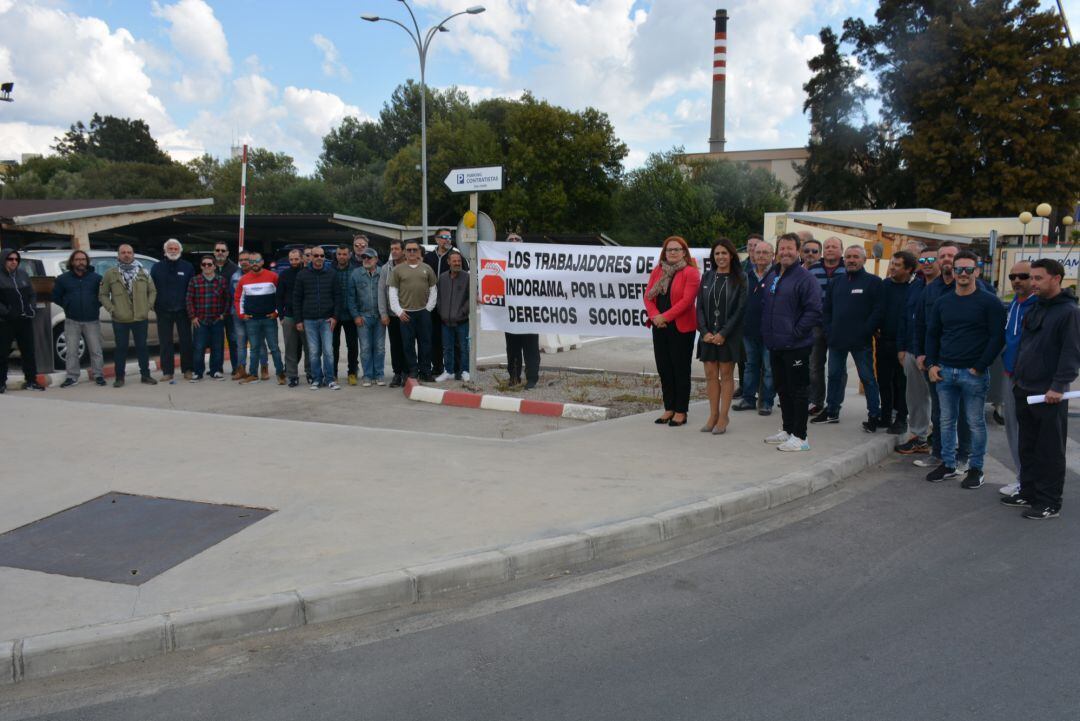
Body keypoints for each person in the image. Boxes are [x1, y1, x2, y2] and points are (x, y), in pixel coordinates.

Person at [1003, 258, 1080, 518]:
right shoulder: (1036, 308)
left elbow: (1071, 353)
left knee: (1049, 450)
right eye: (1031, 278)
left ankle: (1049, 502)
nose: (1032, 283)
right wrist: (1017, 381)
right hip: (1024, 388)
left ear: (1056, 278)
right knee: (1028, 446)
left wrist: (1058, 386)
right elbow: (1026, 346)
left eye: (1038, 278)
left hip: (1049, 394)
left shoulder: (1069, 312)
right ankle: (1029, 491)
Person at [924, 250, 1005, 488]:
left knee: (974, 422)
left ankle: (975, 469)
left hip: (973, 374)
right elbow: (933, 334)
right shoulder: (943, 302)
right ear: (953, 271)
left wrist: (980, 366)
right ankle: (949, 464)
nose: (963, 274)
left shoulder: (989, 302)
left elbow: (997, 337)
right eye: (959, 269)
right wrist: (931, 363)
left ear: (977, 272)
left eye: (969, 269)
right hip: (945, 371)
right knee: (946, 421)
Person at [760, 233, 822, 451]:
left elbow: (814, 310)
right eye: (782, 248)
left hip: (796, 345)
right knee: (782, 388)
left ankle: (800, 436)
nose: (785, 252)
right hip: (776, 344)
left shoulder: (806, 278)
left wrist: (795, 332)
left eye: (789, 248)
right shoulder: (773, 274)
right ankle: (787, 429)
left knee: (798, 390)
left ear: (798, 251)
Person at [814, 245, 882, 429]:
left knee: (867, 378)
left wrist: (866, 330)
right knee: (834, 376)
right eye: (848, 257)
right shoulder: (837, 282)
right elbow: (826, 309)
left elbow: (878, 310)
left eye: (855, 257)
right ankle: (832, 411)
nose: (851, 260)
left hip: (861, 341)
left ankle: (874, 415)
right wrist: (828, 330)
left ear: (863, 260)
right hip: (837, 340)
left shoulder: (873, 282)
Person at [644, 236, 701, 428]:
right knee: (664, 368)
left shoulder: (691, 273)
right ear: (664, 252)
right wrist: (655, 316)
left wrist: (664, 317)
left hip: (681, 327)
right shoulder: (658, 271)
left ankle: (680, 411)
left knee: (680, 369)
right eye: (670, 250)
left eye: (677, 249)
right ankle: (669, 408)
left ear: (684, 252)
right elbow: (648, 296)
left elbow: (686, 301)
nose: (673, 252)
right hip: (659, 327)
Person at [696, 238, 746, 434]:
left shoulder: (741, 277)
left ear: (732, 255)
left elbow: (740, 309)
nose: (721, 257)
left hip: (729, 336)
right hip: (708, 335)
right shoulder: (707, 276)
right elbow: (699, 306)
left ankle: (724, 417)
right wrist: (705, 331)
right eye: (717, 253)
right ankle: (713, 415)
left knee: (726, 376)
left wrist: (723, 333)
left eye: (724, 253)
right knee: (710, 376)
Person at [997, 261, 1036, 497]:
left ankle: (1031, 482)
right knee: (1013, 429)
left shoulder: (1039, 306)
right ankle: (1023, 479)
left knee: (1029, 433)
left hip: (1030, 379)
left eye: (1023, 276)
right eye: (1013, 276)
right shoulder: (1015, 303)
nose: (1017, 280)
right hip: (1009, 375)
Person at [895, 248, 936, 454]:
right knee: (915, 396)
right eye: (923, 259)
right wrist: (901, 348)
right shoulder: (915, 287)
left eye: (931, 259)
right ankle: (919, 436)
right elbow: (904, 318)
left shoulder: (948, 288)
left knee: (940, 399)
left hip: (937, 354)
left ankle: (940, 440)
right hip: (912, 350)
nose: (927, 263)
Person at [99, 244, 157, 387]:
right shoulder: (110, 273)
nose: (126, 255)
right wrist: (112, 309)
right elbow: (103, 294)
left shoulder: (143, 272)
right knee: (121, 348)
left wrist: (148, 306)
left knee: (142, 347)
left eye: (129, 252)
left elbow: (153, 291)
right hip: (120, 318)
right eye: (123, 252)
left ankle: (145, 375)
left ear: (133, 254)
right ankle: (119, 377)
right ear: (118, 255)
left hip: (140, 317)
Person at [877, 251, 918, 435]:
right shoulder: (884, 285)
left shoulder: (915, 288)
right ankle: (885, 416)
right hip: (883, 340)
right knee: (884, 380)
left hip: (904, 345)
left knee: (902, 383)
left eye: (897, 265)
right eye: (892, 263)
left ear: (908, 269)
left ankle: (901, 419)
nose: (892, 267)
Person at [733, 239, 775, 415]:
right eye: (758, 252)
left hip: (771, 331)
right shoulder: (745, 275)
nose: (761, 256)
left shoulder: (777, 274)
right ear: (753, 255)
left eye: (765, 253)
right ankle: (748, 399)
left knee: (768, 368)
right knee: (750, 366)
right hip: (748, 330)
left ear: (773, 255)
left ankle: (766, 402)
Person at [52, 249, 105, 387]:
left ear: (87, 262)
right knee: (71, 351)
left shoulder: (96, 278)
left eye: (83, 259)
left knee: (96, 350)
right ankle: (71, 377)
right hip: (72, 319)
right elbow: (56, 296)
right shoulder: (63, 279)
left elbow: (102, 296)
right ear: (72, 262)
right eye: (77, 259)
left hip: (92, 319)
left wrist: (94, 305)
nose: (80, 262)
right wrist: (67, 305)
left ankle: (98, 375)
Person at [390, 240, 438, 382]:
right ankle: (413, 371)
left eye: (414, 250)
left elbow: (433, 290)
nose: (412, 253)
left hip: (423, 312)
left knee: (426, 344)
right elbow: (392, 292)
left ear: (419, 252)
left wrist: (428, 309)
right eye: (409, 250)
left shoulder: (427, 268)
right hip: (406, 314)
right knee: (408, 345)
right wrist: (398, 311)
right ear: (404, 252)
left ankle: (426, 371)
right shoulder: (397, 270)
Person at [234, 252, 285, 385]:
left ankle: (281, 374)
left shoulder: (273, 276)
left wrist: (276, 312)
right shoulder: (243, 279)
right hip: (252, 320)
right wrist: (242, 314)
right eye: (251, 262)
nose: (254, 264)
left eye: (256, 261)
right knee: (254, 348)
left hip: (269, 319)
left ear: (262, 262)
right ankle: (253, 374)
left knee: (274, 347)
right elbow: (238, 298)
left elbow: (281, 296)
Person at [294, 246, 340, 390]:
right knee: (313, 352)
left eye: (321, 256)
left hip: (327, 319)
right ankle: (316, 379)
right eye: (316, 256)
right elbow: (297, 299)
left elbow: (338, 297)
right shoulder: (302, 275)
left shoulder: (332, 273)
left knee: (328, 351)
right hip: (309, 320)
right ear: (311, 257)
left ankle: (330, 379)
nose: (319, 258)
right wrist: (299, 320)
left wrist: (335, 317)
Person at [149, 238, 195, 382]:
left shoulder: (188, 267)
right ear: (165, 251)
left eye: (175, 249)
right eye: (170, 249)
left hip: (183, 310)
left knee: (186, 341)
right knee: (165, 342)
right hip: (163, 310)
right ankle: (167, 372)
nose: (173, 251)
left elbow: (192, 289)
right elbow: (151, 288)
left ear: (180, 251)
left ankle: (187, 369)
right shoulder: (156, 267)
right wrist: (154, 305)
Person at [0, 248, 46, 392]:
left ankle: (31, 381)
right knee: (2, 353)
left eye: (16, 259)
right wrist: (6, 312)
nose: (14, 262)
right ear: (3, 260)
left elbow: (32, 294)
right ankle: (1, 383)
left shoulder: (23, 274)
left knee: (28, 351)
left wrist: (30, 308)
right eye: (10, 259)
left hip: (24, 320)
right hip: (5, 322)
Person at [425, 228, 469, 378]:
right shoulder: (429, 257)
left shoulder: (457, 256)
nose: (447, 240)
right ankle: (438, 368)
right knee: (437, 340)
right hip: (435, 305)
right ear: (437, 239)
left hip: (456, 308)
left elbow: (467, 282)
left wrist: (463, 309)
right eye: (443, 237)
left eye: (449, 237)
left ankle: (459, 370)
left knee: (458, 343)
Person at [807, 236, 843, 414]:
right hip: (816, 325)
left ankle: (835, 403)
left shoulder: (849, 268)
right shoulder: (812, 269)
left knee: (837, 368)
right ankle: (816, 401)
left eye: (834, 246)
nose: (829, 249)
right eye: (827, 246)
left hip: (839, 326)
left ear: (841, 251)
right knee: (814, 365)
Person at [502, 233, 541, 388]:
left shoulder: (533, 262)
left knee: (531, 348)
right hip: (510, 314)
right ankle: (514, 376)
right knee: (512, 349)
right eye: (510, 239)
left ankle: (532, 378)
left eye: (517, 239)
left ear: (523, 243)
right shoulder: (501, 262)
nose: (513, 241)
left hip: (530, 313)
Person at [186, 255, 230, 381]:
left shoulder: (221, 280)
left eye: (209, 264)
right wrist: (193, 317)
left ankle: (215, 370)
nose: (207, 266)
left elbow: (228, 299)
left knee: (217, 347)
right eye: (204, 264)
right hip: (200, 321)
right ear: (200, 266)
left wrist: (224, 314)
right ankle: (198, 372)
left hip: (217, 320)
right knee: (199, 347)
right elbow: (189, 299)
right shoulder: (194, 281)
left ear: (214, 266)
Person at [347, 247, 386, 387]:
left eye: (369, 257)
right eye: (364, 258)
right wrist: (356, 316)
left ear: (376, 259)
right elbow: (351, 298)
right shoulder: (355, 274)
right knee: (365, 348)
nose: (366, 260)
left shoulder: (383, 273)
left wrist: (385, 314)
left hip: (380, 316)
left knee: (380, 347)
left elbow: (388, 294)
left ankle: (379, 374)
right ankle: (368, 375)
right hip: (363, 317)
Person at [435, 250, 471, 382]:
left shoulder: (467, 277)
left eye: (459, 261)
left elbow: (471, 297)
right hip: (445, 321)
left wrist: (462, 312)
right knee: (447, 347)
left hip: (462, 321)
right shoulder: (443, 278)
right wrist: (441, 311)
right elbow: (438, 297)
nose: (457, 263)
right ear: (448, 262)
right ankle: (448, 371)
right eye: (454, 261)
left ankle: (465, 371)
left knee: (464, 347)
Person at [277, 248, 310, 387]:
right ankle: (292, 375)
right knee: (290, 348)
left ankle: (310, 373)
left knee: (309, 348)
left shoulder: (308, 273)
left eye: (296, 259)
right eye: (291, 259)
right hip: (289, 316)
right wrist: (281, 316)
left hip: (306, 316)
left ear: (302, 258)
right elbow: (278, 296)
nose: (294, 262)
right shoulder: (284, 274)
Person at [330, 244, 360, 385]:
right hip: (334, 315)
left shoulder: (355, 271)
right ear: (336, 255)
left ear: (349, 255)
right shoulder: (329, 270)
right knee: (333, 346)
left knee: (352, 346)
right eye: (339, 254)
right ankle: (333, 373)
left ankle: (352, 372)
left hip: (351, 315)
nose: (341, 256)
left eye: (344, 254)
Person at [379, 240, 407, 387]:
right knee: (395, 345)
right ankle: (397, 373)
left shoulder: (410, 266)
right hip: (392, 315)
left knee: (407, 344)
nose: (394, 251)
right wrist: (383, 313)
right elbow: (382, 291)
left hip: (407, 314)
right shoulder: (386, 268)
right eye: (392, 249)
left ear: (403, 251)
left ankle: (407, 373)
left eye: (397, 249)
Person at [212, 242, 240, 374]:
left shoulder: (235, 269)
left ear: (228, 253)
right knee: (216, 341)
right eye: (217, 250)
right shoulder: (209, 267)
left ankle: (236, 367)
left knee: (233, 341)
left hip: (231, 311)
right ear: (214, 252)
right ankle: (217, 368)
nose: (220, 253)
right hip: (215, 311)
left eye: (223, 250)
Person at [229, 251, 252, 380]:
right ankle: (241, 369)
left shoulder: (256, 274)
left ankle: (259, 369)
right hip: (238, 314)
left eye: (246, 259)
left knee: (257, 343)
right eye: (241, 259)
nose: (243, 262)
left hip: (254, 314)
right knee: (240, 343)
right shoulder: (235, 276)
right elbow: (232, 295)